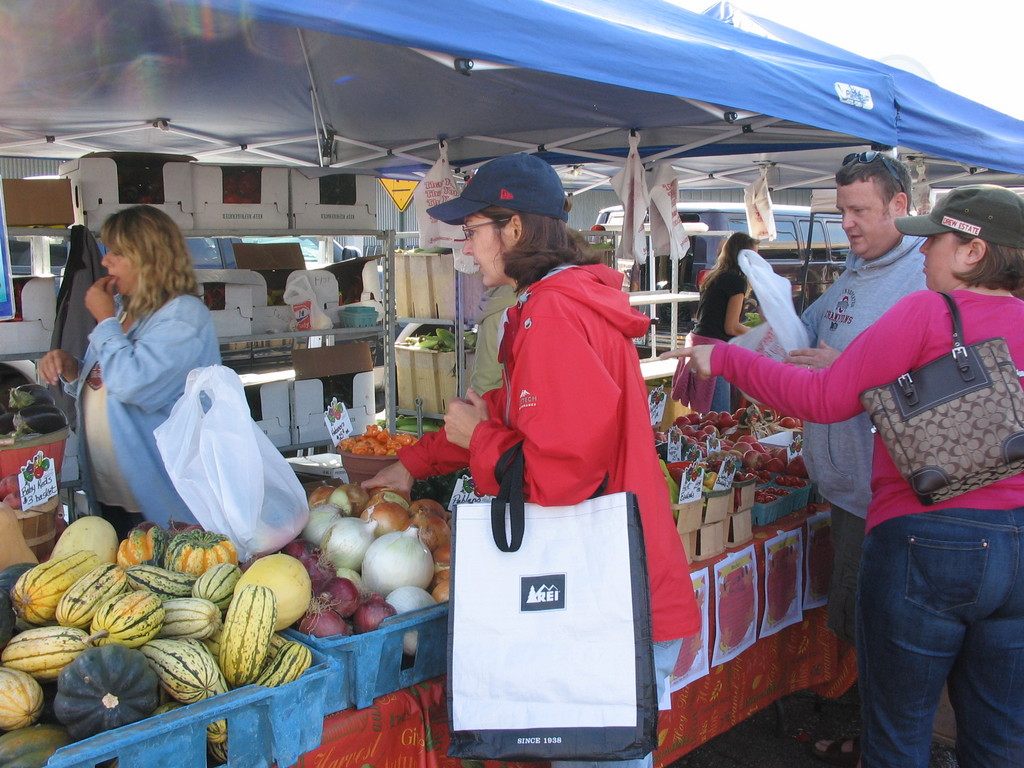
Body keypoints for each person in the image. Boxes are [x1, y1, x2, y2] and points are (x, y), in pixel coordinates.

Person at [662, 184, 1024, 768]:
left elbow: (825, 398)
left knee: (899, 734)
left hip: (927, 540)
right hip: (1019, 546)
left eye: (935, 238)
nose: (924, 250)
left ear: (973, 252)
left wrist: (727, 357)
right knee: (1002, 738)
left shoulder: (931, 311)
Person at [365, 153, 701, 766]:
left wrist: (477, 443)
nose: (466, 248)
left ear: (514, 229)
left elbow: (560, 476)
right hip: (618, 588)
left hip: (609, 602)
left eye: (472, 231)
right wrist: (416, 461)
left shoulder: (552, 315)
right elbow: (509, 412)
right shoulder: (556, 304)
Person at [782, 152, 926, 767]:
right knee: (860, 624)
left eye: (860, 211)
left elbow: (935, 388)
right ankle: (873, 734)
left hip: (887, 498)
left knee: (890, 634)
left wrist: (845, 370)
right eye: (841, 211)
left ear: (900, 206)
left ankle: (885, 746)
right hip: (844, 488)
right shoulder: (854, 273)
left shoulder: (923, 281)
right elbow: (805, 332)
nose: (848, 224)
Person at [39, 205, 221, 536]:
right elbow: (108, 382)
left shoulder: (183, 317)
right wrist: (73, 372)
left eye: (117, 253)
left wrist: (105, 321)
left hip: (162, 500)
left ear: (149, 259)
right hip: (111, 491)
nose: (106, 261)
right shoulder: (124, 311)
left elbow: (134, 384)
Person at [671, 232, 754, 414]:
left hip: (697, 343)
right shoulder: (737, 281)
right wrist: (760, 334)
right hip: (713, 350)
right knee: (719, 417)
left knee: (706, 418)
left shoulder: (715, 275)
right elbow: (731, 326)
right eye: (754, 254)